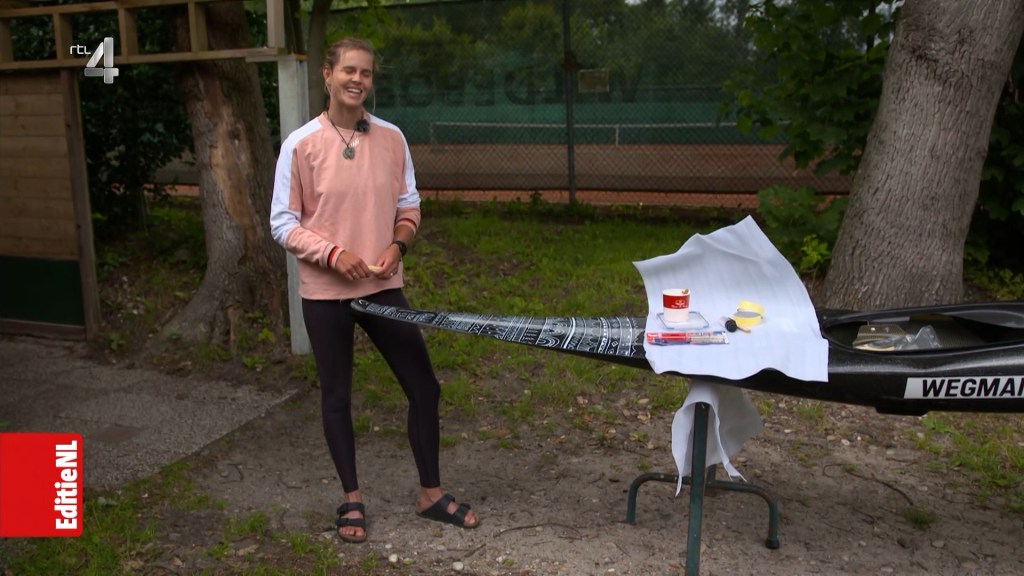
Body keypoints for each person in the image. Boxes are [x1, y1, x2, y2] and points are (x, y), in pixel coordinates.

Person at [269, 37, 480, 543]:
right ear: (327, 74)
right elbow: (282, 222)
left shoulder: (391, 138)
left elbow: (409, 205)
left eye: (365, 73)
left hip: (382, 288)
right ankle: (352, 499)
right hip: (326, 294)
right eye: (348, 70)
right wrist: (332, 254)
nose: (357, 80)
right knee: (337, 396)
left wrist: (398, 245)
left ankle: (431, 494)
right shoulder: (300, 144)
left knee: (424, 388)